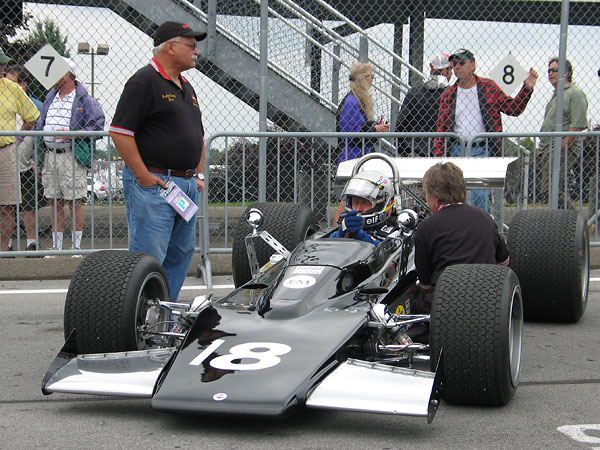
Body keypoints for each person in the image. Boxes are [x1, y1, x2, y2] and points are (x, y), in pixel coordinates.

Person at [109, 21, 207, 301]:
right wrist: (142, 176)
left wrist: (197, 176)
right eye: (191, 45)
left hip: (185, 186)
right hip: (156, 183)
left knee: (180, 253)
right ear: (170, 46)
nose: (196, 52)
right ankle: (139, 316)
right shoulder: (144, 81)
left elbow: (199, 136)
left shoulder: (187, 87)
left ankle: (163, 311)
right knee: (148, 257)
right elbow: (120, 132)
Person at [433, 48, 538, 210]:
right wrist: (438, 158)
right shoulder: (448, 94)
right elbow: (441, 129)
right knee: (456, 195)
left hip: (481, 149)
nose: (457, 67)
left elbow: (513, 109)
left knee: (480, 196)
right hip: (456, 150)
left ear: (473, 65)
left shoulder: (488, 87)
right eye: (454, 64)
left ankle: (481, 229)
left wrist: (526, 89)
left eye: (461, 63)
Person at [413, 162, 509, 312]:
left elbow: (425, 283)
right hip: (487, 299)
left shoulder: (426, 227)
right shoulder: (484, 217)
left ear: (435, 197)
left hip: (444, 301)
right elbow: (504, 261)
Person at [35, 59, 105, 253]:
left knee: (74, 201)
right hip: (50, 155)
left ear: (67, 74)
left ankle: (76, 246)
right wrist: (38, 157)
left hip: (71, 155)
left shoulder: (85, 100)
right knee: (54, 200)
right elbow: (40, 124)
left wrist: (73, 133)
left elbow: (97, 126)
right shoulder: (51, 97)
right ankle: (57, 246)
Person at [0, 47, 40, 253]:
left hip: (8, 151)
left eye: (3, 65)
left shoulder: (12, 89)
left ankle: (4, 250)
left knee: (8, 205)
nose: (2, 68)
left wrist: (17, 136)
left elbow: (32, 117)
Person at [537, 57, 588, 210]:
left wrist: (562, 147)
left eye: (554, 70)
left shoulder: (575, 93)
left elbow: (577, 125)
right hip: (548, 148)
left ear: (566, 73)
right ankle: (568, 223)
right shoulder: (557, 95)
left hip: (562, 149)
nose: (550, 73)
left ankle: (576, 223)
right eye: (549, 70)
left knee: (551, 189)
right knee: (551, 189)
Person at [395, 53, 452, 156]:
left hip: (415, 151)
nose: (451, 74)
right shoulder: (451, 94)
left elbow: (401, 123)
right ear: (445, 71)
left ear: (431, 68)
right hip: (443, 151)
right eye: (450, 70)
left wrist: (401, 150)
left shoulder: (414, 92)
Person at [336, 62, 389, 164]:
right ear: (365, 77)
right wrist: (374, 130)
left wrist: (375, 128)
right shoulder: (351, 102)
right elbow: (352, 137)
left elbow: (361, 130)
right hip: (351, 158)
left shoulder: (357, 100)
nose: (372, 80)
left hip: (359, 156)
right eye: (372, 76)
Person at [329, 171, 396, 246]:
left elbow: (387, 253)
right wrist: (340, 234)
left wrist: (362, 236)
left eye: (365, 203)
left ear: (382, 205)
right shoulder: (343, 229)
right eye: (355, 203)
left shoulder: (395, 233)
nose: (358, 209)